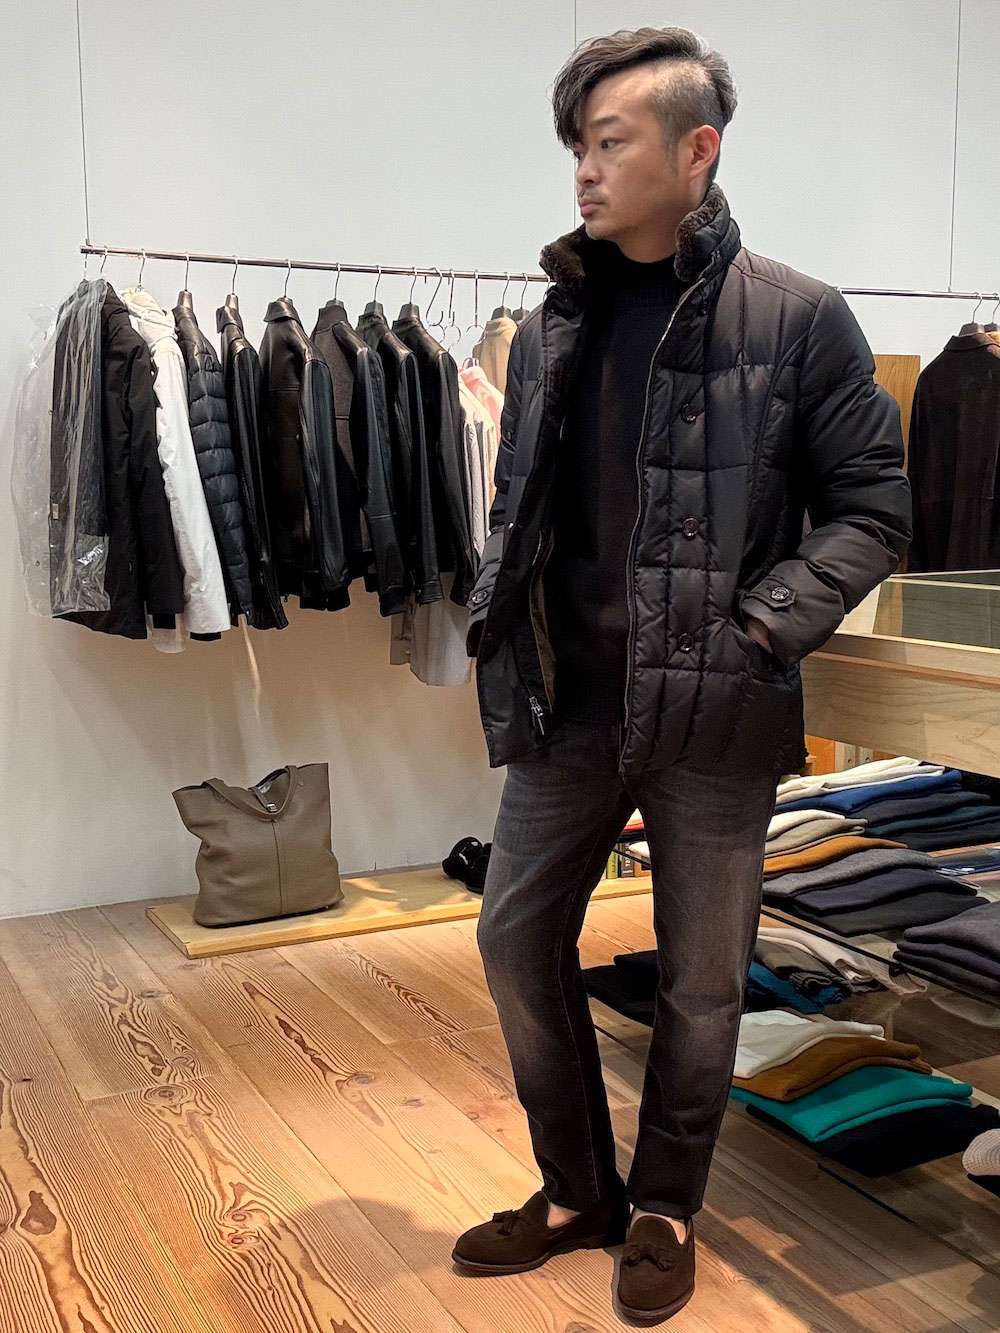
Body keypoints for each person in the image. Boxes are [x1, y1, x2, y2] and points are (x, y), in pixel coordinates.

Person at [453, 24, 912, 1326]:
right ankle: (576, 1188)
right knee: (512, 938)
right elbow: (529, 510)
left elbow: (875, 505)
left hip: (716, 711)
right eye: (577, 145)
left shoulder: (799, 317)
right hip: (567, 710)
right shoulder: (555, 322)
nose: (585, 169)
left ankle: (663, 1205)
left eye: (610, 141)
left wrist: (761, 627)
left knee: (702, 983)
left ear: (697, 149)